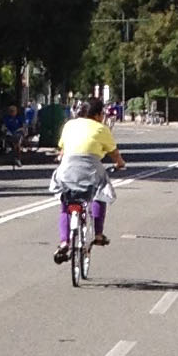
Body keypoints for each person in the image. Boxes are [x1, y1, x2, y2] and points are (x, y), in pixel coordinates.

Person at [50, 98, 125, 265]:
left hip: (68, 168)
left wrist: (62, 156)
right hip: (91, 168)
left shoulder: (69, 125)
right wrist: (120, 163)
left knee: (65, 204)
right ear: (98, 115)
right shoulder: (101, 129)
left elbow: (63, 149)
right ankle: (98, 234)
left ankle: (64, 242)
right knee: (100, 193)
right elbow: (114, 153)